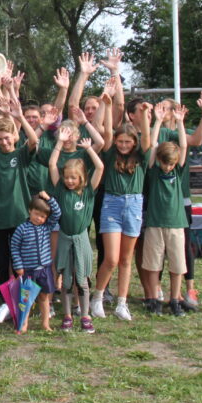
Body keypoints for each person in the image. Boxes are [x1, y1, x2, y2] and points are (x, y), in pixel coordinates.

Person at [90, 78, 152, 322]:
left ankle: (122, 303)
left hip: (135, 205)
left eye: (128, 142)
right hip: (112, 204)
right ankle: (97, 297)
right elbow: (106, 130)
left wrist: (145, 115)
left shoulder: (142, 157)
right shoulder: (110, 153)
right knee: (112, 258)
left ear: (134, 143)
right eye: (121, 142)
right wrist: (106, 103)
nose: (124, 145)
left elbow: (146, 137)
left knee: (126, 259)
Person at [0, 77, 40, 325]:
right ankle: (7, 303)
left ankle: (23, 306)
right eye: (0, 137)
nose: (4, 142)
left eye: (8, 137)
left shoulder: (21, 155)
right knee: (2, 264)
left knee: (21, 265)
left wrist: (19, 117)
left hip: (19, 219)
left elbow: (34, 141)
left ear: (14, 137)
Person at [48, 137, 104, 333]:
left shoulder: (88, 192)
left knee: (82, 279)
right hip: (64, 237)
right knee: (66, 279)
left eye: (74, 177)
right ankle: (67, 316)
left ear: (82, 178)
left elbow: (100, 167)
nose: (69, 181)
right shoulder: (61, 191)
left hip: (81, 239)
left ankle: (85, 314)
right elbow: (52, 164)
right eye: (67, 177)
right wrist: (59, 143)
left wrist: (89, 149)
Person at [142, 103, 190, 317]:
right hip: (155, 223)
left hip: (176, 223)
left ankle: (175, 298)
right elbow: (152, 145)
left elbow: (184, 145)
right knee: (153, 264)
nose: (168, 167)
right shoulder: (153, 170)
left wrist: (179, 122)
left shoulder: (177, 171)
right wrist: (158, 120)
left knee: (178, 264)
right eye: (165, 164)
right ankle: (153, 298)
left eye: (171, 165)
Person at [10, 191, 61, 332]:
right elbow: (14, 248)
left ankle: (45, 323)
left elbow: (57, 213)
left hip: (44, 270)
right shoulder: (22, 229)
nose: (39, 218)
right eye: (36, 214)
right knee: (25, 300)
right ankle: (23, 323)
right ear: (30, 211)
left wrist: (48, 198)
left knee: (44, 298)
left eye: (43, 216)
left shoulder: (46, 227)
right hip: (28, 271)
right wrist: (18, 266)